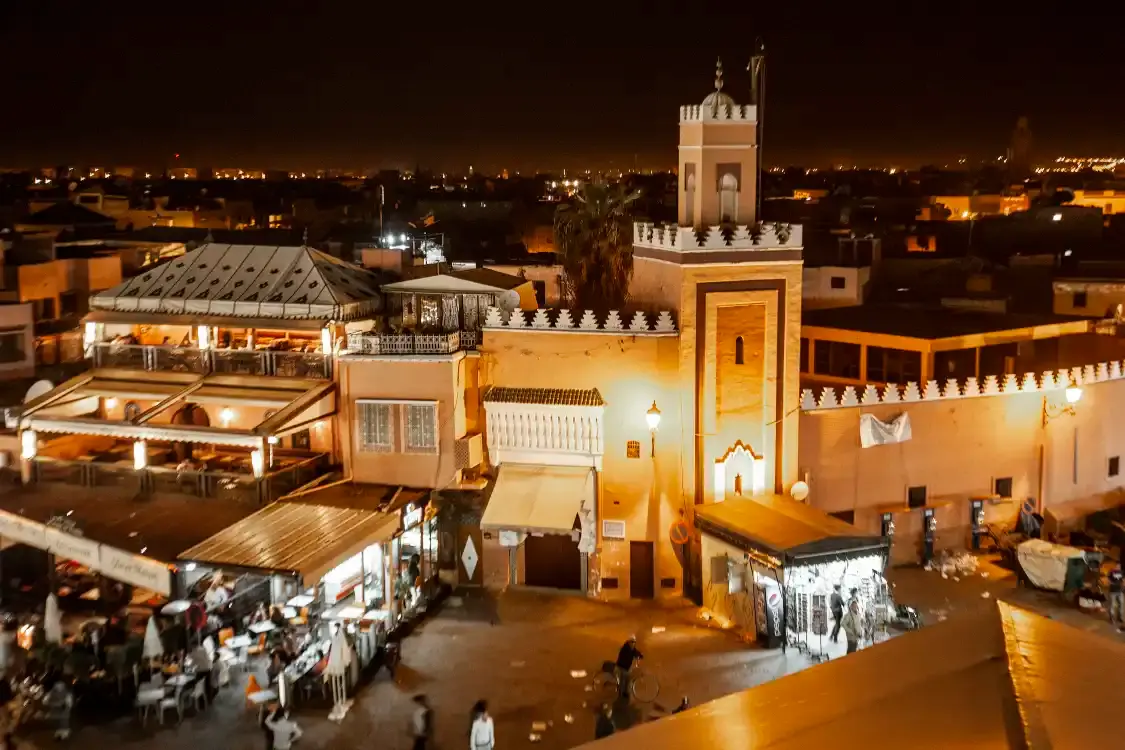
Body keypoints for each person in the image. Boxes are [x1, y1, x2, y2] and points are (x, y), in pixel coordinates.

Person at [1108, 562, 1125, 628]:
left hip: (1120, 591)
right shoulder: (1111, 572)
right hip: (1112, 591)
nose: (1118, 567)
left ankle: (1119, 617)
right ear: (1115, 566)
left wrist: (1123, 585)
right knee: (1112, 604)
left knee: (1121, 603)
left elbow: (1123, 580)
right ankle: (1111, 618)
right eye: (1117, 566)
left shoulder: (1121, 572)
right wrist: (1112, 583)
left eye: (1119, 566)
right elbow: (1108, 580)